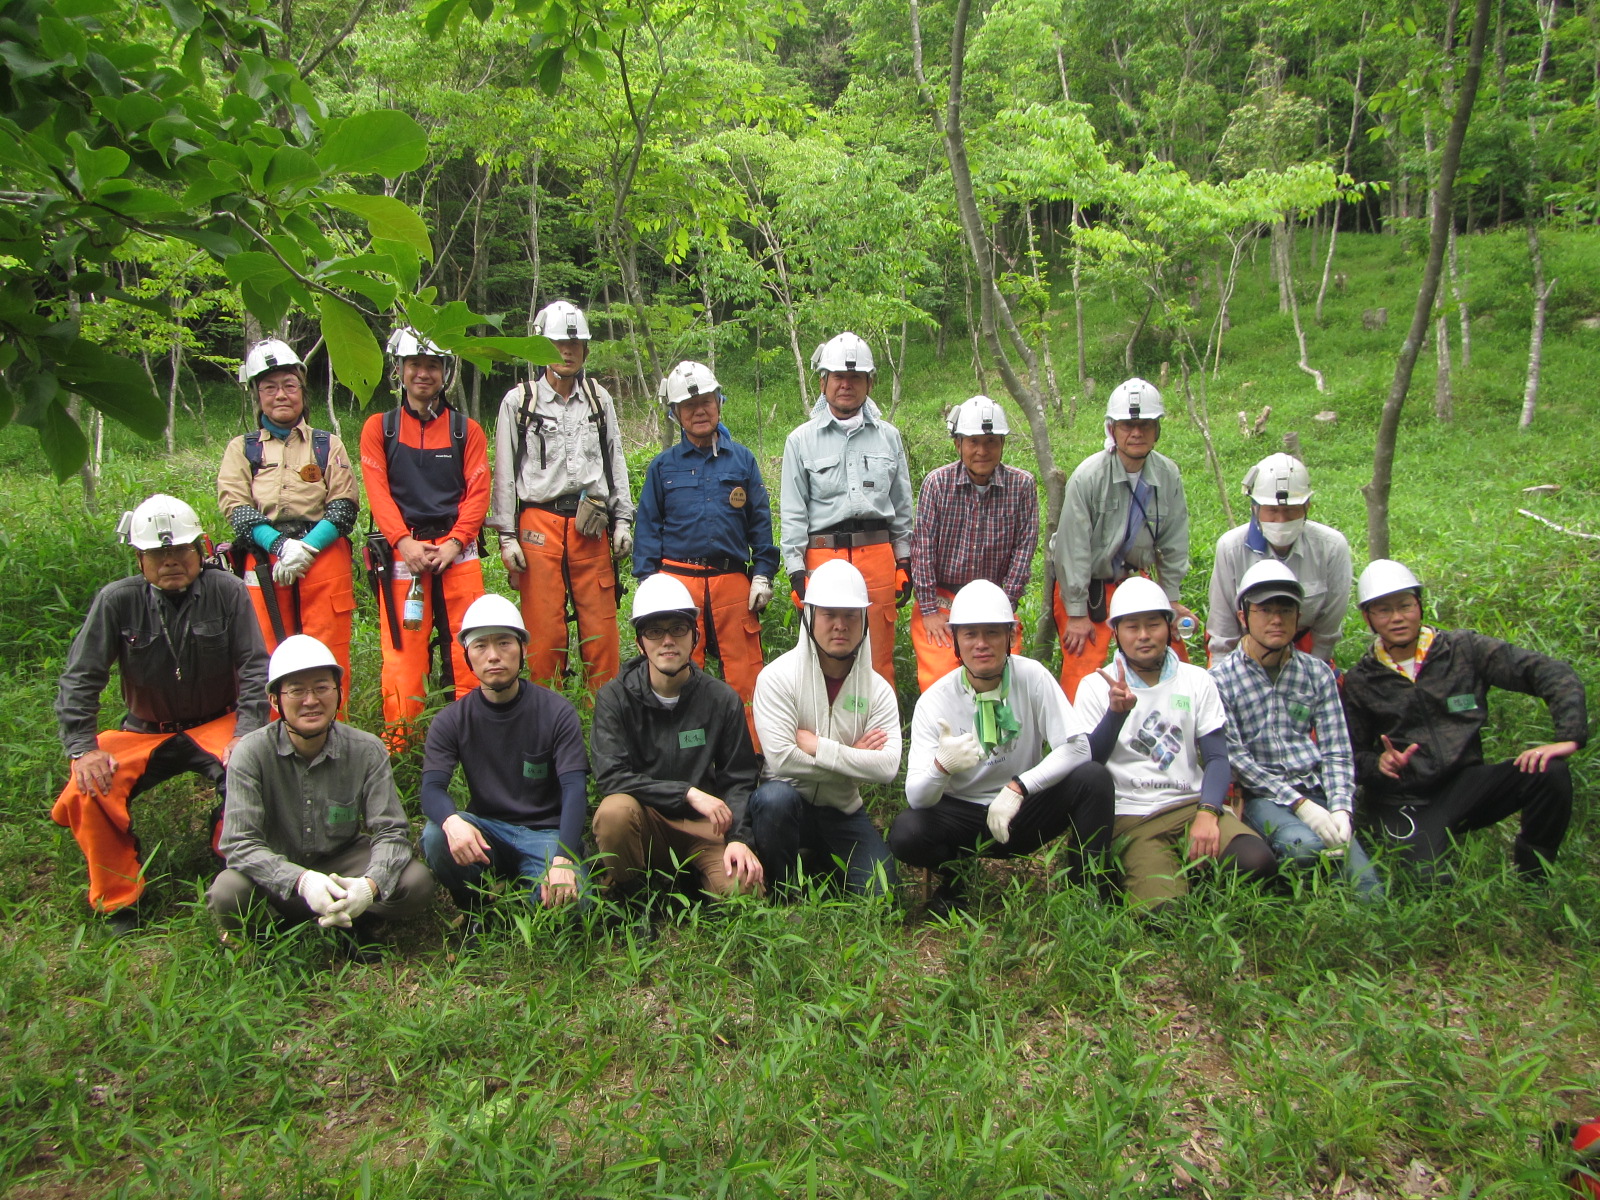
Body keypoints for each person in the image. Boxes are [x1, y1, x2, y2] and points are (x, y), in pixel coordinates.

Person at [52, 494, 269, 933]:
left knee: (258, 760)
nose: (171, 561)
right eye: (158, 553)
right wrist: (82, 748)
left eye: (181, 550)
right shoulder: (116, 601)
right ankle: (119, 898)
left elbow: (254, 665)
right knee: (87, 788)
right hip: (144, 730)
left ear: (200, 550)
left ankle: (230, 859)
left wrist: (247, 730)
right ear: (140, 558)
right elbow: (80, 677)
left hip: (217, 722)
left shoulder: (226, 591)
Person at [1342, 559, 1587, 881]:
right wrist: (1380, 765)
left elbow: (1551, 673)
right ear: (1367, 618)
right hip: (1406, 798)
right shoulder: (1361, 680)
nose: (1398, 618)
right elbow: (1349, 755)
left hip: (1466, 786)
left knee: (1548, 771)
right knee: (1428, 883)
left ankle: (1534, 876)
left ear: (1420, 605)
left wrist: (1568, 737)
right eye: (1383, 611)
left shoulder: (1463, 649)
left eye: (1405, 606)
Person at [889, 580, 1114, 917]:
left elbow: (1078, 748)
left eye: (993, 633)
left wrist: (1019, 787)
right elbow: (917, 798)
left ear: (1010, 636)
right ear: (955, 641)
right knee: (906, 832)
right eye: (970, 634)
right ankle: (956, 881)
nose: (981, 644)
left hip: (1025, 811)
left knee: (1093, 778)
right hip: (965, 818)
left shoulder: (1032, 677)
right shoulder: (935, 701)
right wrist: (941, 767)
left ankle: (1087, 888)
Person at [207, 636, 433, 949]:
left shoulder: (366, 750)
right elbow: (239, 843)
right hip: (277, 870)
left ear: (338, 692)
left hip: (344, 867)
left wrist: (368, 886)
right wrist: (300, 880)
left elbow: (391, 831)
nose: (311, 700)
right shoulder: (251, 753)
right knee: (228, 890)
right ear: (275, 701)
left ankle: (355, 917)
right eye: (296, 690)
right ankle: (272, 935)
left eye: (322, 687)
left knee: (416, 882)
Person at [1074, 578, 1277, 908]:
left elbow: (1216, 758)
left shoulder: (1196, 679)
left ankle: (1193, 865)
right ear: (1116, 633)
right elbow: (1088, 764)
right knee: (1166, 914)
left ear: (1168, 627)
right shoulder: (1095, 687)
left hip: (1189, 804)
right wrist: (1115, 715)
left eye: (1153, 624)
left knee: (1257, 864)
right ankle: (1166, 873)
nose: (1143, 635)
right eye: (1132, 627)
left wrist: (1208, 813)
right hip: (1134, 815)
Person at [1210, 561, 1381, 897]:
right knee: (1303, 847)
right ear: (1243, 616)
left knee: (1370, 892)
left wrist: (1341, 809)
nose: (1277, 620)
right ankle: (1293, 899)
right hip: (1264, 796)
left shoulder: (1316, 674)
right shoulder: (1220, 680)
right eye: (1265, 610)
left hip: (1315, 787)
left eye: (1286, 610)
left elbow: (1336, 750)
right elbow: (1239, 761)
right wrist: (1302, 806)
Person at [590, 574, 764, 905]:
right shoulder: (616, 697)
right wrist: (686, 793)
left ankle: (698, 886)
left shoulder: (720, 699)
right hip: (646, 822)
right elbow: (612, 776)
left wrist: (740, 838)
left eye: (678, 629)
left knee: (744, 892)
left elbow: (739, 778)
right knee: (613, 812)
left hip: (706, 828)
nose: (667, 640)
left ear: (695, 636)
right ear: (640, 642)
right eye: (655, 631)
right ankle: (633, 896)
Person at [419, 594, 590, 928]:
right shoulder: (452, 720)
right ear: (468, 655)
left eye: (504, 643)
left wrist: (564, 858)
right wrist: (453, 822)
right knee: (436, 834)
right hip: (487, 831)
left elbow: (574, 789)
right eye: (481, 646)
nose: (494, 656)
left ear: (523, 649)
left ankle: (526, 900)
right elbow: (431, 789)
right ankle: (474, 909)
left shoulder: (556, 712)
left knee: (570, 908)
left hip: (546, 833)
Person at [491, 301, 634, 692]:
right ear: (540, 347)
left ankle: (602, 713)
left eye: (575, 344)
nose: (567, 352)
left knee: (601, 628)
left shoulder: (599, 400)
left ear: (586, 349)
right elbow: (503, 473)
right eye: (556, 344)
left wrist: (623, 520)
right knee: (543, 631)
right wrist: (506, 537)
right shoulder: (519, 403)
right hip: (538, 524)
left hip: (592, 521)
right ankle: (545, 712)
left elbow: (614, 459)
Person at [633, 360, 777, 733]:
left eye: (707, 402)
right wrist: (649, 586)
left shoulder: (742, 459)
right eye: (688, 406)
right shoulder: (662, 467)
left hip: (731, 580)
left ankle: (752, 756)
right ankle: (684, 755)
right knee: (678, 670)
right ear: (675, 413)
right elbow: (647, 526)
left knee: (745, 674)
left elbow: (760, 521)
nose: (700, 411)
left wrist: (762, 572)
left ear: (719, 402)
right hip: (678, 582)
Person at [360, 328, 489, 743]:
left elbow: (478, 490)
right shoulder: (380, 428)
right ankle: (402, 743)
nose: (423, 373)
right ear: (399, 370)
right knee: (403, 656)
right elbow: (377, 491)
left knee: (469, 646)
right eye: (414, 364)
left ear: (445, 372)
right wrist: (402, 541)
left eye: (432, 365)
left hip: (458, 551)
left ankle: (475, 736)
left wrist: (454, 542)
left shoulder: (465, 430)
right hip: (403, 554)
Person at [748, 559, 900, 895]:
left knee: (883, 893)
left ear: (864, 621)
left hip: (842, 811)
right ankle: (782, 888)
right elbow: (783, 761)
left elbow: (888, 767)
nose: (840, 625)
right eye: (830, 614)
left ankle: (819, 862)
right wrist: (855, 761)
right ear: (810, 617)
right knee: (773, 800)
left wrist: (821, 748)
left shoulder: (878, 690)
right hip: (787, 804)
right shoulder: (778, 679)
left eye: (850, 615)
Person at [218, 338, 360, 689]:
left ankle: (333, 734)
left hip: (323, 553)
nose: (281, 395)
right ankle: (273, 737)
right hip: (264, 557)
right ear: (257, 394)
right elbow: (236, 508)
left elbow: (344, 506)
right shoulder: (242, 449)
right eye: (270, 388)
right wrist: (281, 546)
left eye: (289, 386)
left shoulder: (327, 444)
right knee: (265, 650)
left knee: (328, 650)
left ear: (302, 391)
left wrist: (306, 548)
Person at [779, 332, 913, 688]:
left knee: (879, 657)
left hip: (878, 557)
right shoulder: (800, 440)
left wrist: (904, 561)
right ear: (823, 382)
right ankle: (823, 739)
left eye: (855, 378)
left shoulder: (889, 437)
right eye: (838, 377)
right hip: (823, 559)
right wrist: (796, 570)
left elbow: (902, 506)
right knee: (824, 656)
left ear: (869, 382)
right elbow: (793, 513)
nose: (846, 385)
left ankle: (881, 740)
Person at [1050, 378, 1193, 700]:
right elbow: (1072, 550)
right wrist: (1076, 613)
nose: (1136, 433)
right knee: (1082, 662)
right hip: (1088, 586)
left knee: (1171, 651)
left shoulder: (1167, 475)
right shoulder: (1089, 477)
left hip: (1135, 580)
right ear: (1112, 429)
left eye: (1145, 425)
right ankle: (1081, 739)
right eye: (1128, 425)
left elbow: (1174, 540)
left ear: (1157, 429)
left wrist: (1170, 598)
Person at [908, 396, 1039, 693]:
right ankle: (944, 736)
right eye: (973, 442)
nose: (982, 451)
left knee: (1001, 678)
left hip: (996, 596)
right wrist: (929, 610)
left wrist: (1005, 608)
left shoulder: (1022, 486)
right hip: (943, 597)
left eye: (991, 442)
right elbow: (922, 549)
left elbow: (1024, 551)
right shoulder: (937, 484)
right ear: (958, 444)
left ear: (1002, 444)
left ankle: (996, 737)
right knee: (939, 680)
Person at [1206, 454, 1352, 664]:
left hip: (1305, 648)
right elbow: (1223, 630)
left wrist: (1311, 675)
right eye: (1272, 511)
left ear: (1307, 507)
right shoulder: (1231, 548)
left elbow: (1327, 632)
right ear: (1254, 508)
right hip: (1247, 649)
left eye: (1290, 511)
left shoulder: (1331, 547)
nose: (1281, 520)